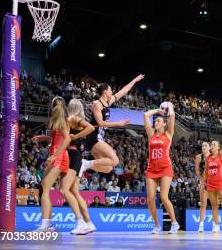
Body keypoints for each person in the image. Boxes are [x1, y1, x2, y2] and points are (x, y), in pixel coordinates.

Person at [32, 98, 88, 234]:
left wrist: (54, 156)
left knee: (45, 189)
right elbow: (60, 139)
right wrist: (44, 138)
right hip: (61, 157)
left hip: (59, 158)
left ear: (53, 106)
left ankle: (46, 224)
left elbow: (67, 139)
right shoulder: (60, 119)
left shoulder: (62, 119)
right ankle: (74, 221)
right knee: (59, 190)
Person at [79, 75, 144, 177]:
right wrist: (118, 123)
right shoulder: (97, 104)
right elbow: (100, 123)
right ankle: (85, 163)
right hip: (94, 137)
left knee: (108, 168)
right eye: (110, 89)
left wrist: (135, 80)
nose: (112, 91)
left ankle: (84, 164)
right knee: (115, 160)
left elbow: (123, 91)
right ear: (105, 91)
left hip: (99, 137)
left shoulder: (108, 102)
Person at [144, 103, 180, 234]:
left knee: (164, 197)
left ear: (164, 124)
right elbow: (145, 115)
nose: (156, 122)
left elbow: (172, 117)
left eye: (159, 120)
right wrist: (157, 110)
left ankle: (174, 223)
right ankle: (156, 225)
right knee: (150, 200)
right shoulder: (151, 134)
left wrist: (170, 108)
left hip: (165, 168)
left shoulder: (168, 134)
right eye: (156, 120)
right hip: (151, 169)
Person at [63, 98, 97, 234]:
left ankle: (81, 222)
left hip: (73, 156)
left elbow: (91, 128)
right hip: (76, 156)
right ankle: (89, 223)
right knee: (74, 192)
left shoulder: (73, 118)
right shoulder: (75, 119)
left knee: (64, 190)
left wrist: (75, 138)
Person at [195, 141, 210, 232]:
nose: (203, 147)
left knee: (214, 204)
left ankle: (215, 225)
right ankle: (201, 225)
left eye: (205, 145)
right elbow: (197, 171)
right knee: (203, 204)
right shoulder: (198, 157)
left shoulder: (213, 156)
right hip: (203, 182)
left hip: (213, 182)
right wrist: (202, 181)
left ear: (209, 148)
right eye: (202, 146)